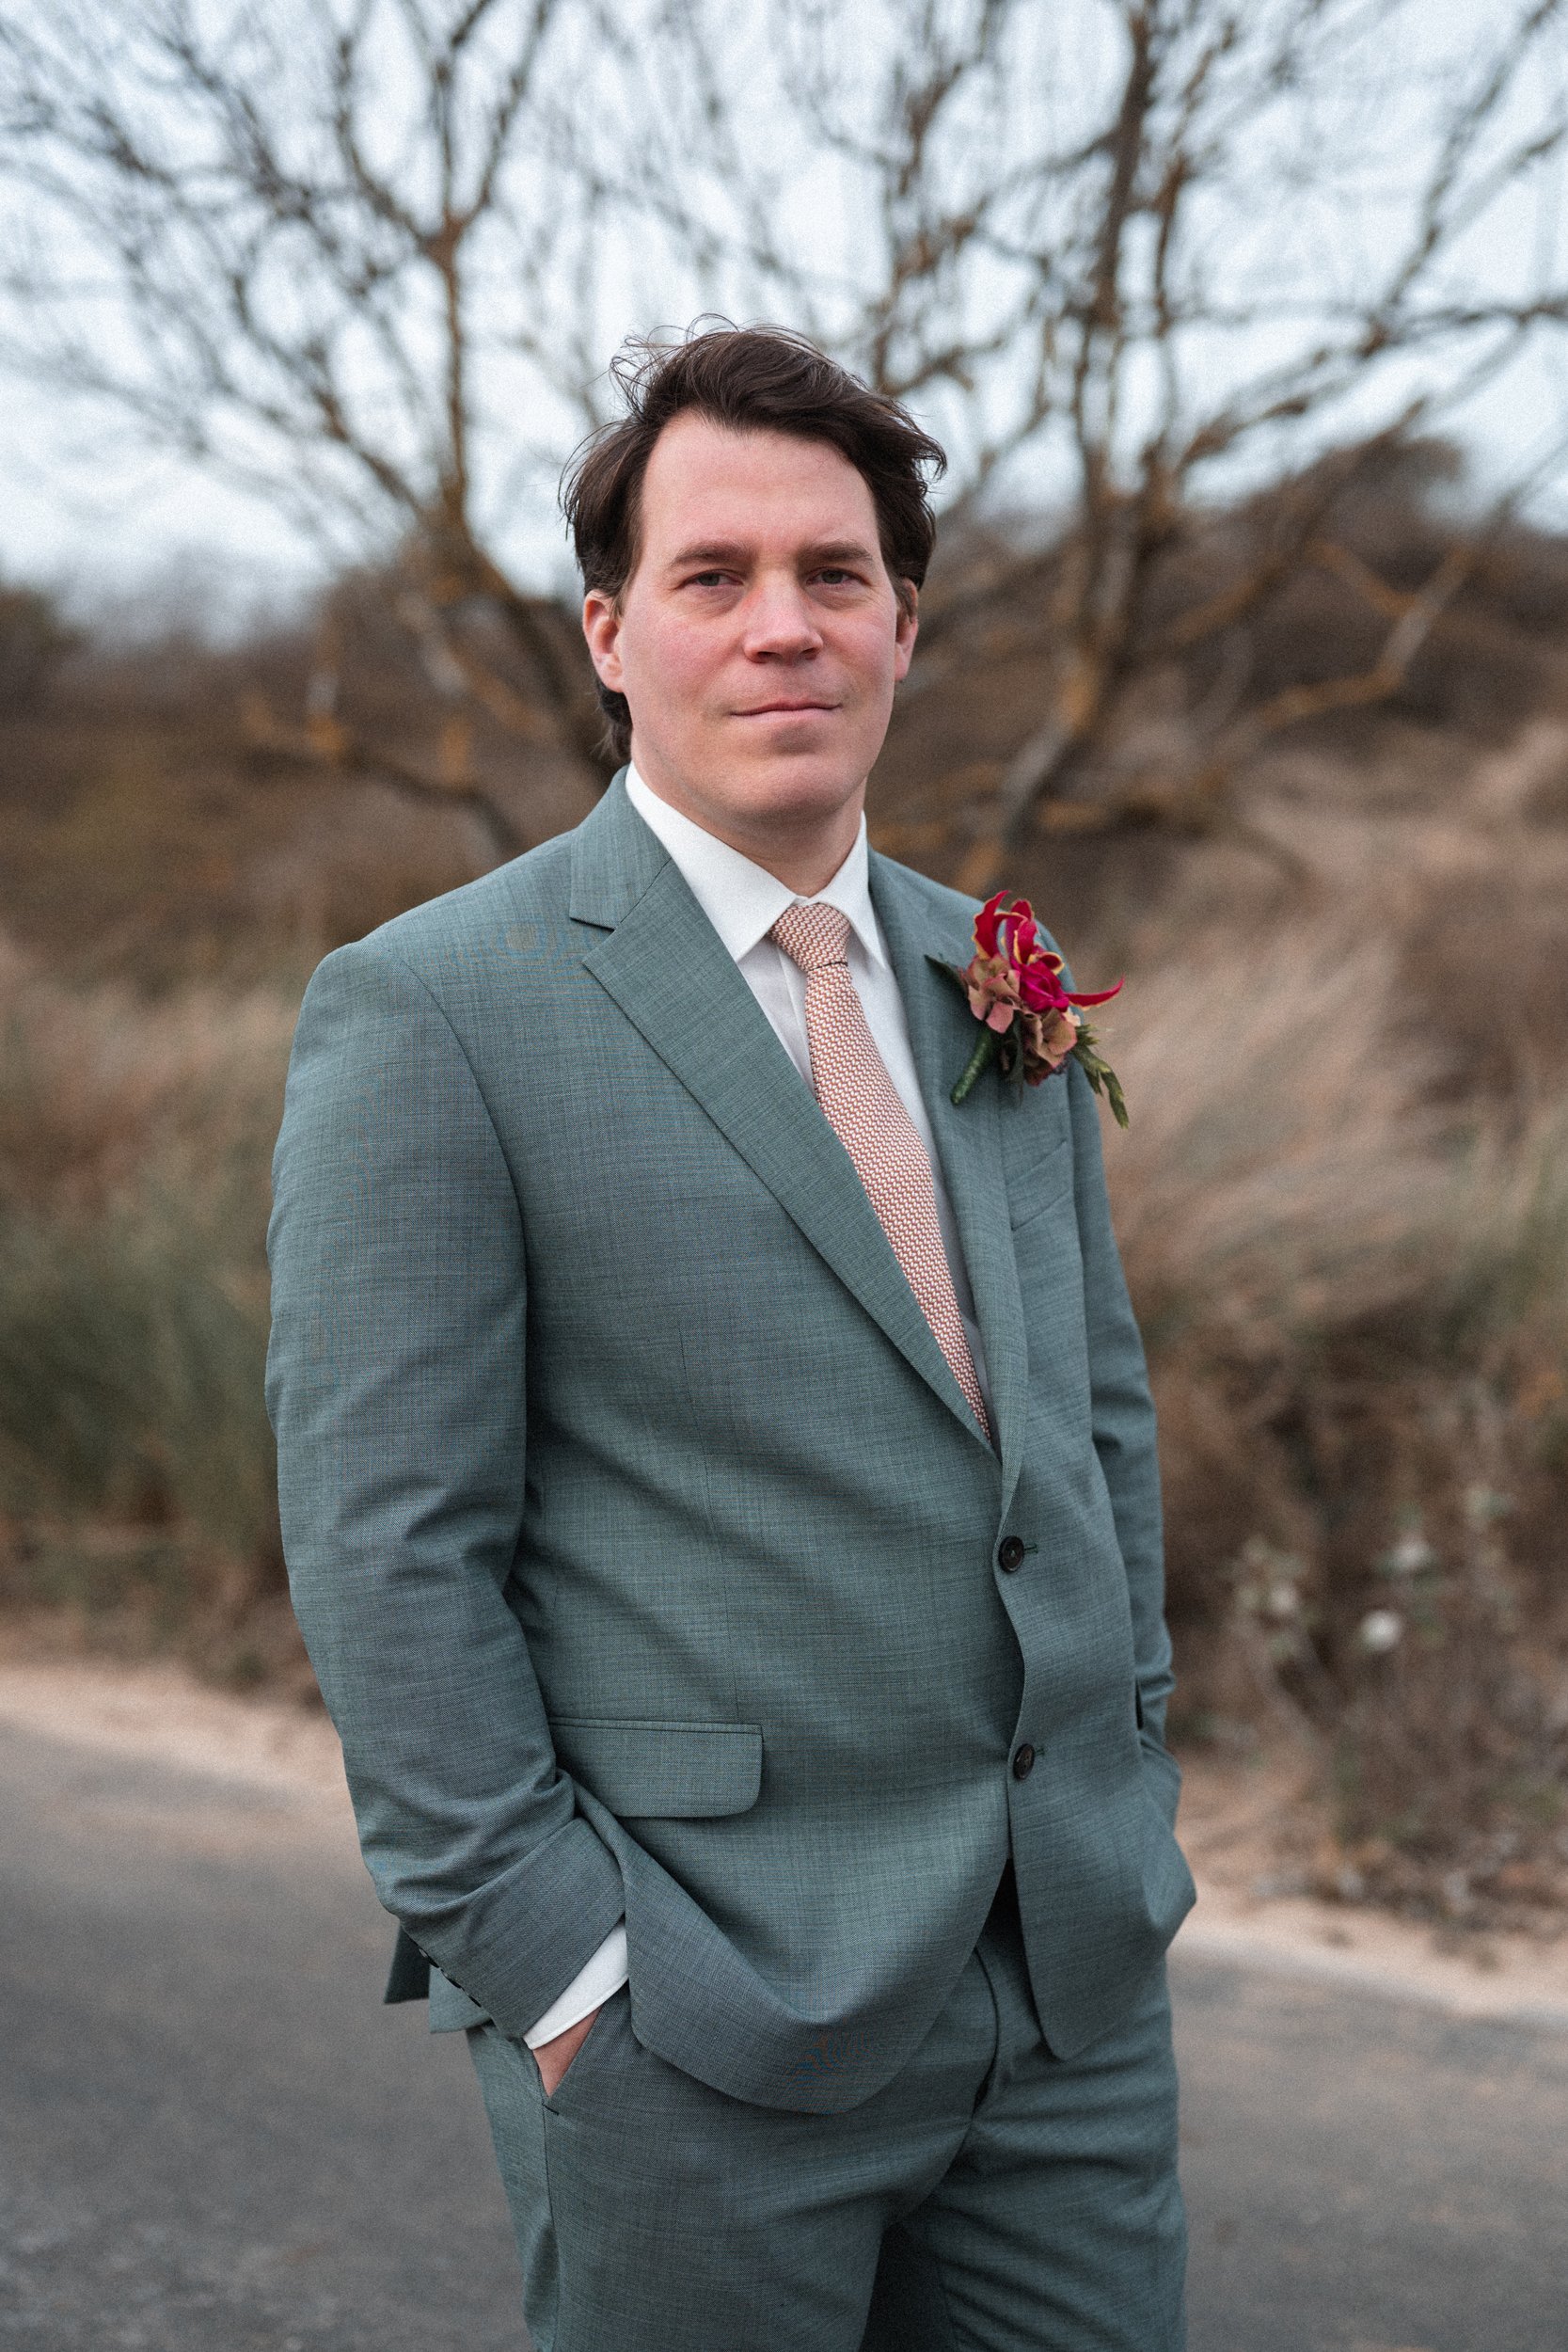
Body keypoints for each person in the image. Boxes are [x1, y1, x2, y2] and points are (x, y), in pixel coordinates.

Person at [265, 324, 1195, 2352]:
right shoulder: (432, 1010)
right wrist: (564, 1974)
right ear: (611, 631)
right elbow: (387, 1543)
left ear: (903, 626)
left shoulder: (990, 970)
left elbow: (1094, 1424)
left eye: (833, 575)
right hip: (694, 2014)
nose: (784, 628)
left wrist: (1128, 1783)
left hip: (1069, 1997)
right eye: (715, 577)